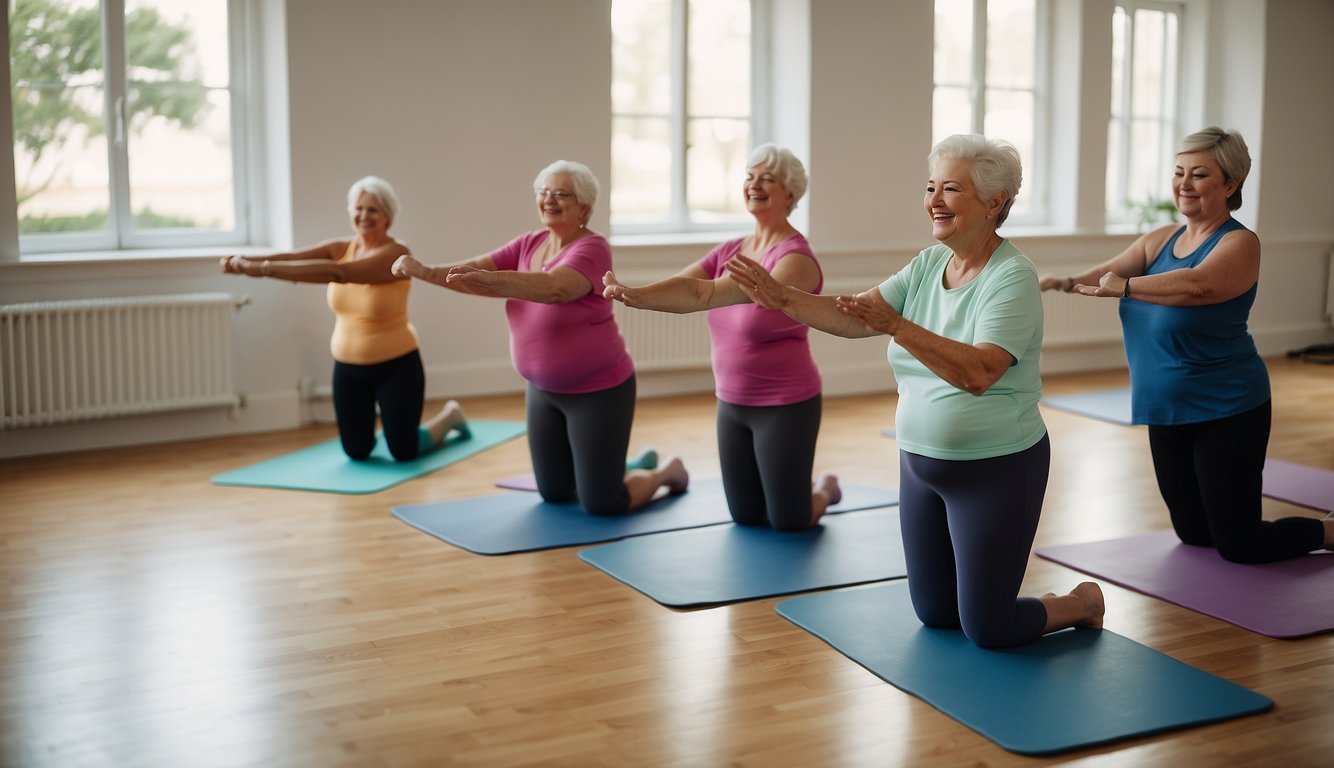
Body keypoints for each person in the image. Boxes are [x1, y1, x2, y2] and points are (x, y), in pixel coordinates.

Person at [728, 134, 1104, 648]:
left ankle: (1082, 603)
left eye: (951, 189)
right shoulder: (929, 264)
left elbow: (979, 373)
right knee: (935, 614)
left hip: (997, 469)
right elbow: (856, 317)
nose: (934, 201)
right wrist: (781, 296)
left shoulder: (1011, 278)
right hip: (920, 466)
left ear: (995, 202)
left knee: (988, 628)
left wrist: (898, 326)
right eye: (931, 187)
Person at [1039, 126, 1334, 562]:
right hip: (1165, 409)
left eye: (1200, 175)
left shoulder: (1239, 243)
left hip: (1228, 407)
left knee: (1240, 544)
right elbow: (1107, 272)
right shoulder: (1161, 239)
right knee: (1194, 534)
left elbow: (1196, 285)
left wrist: (1125, 287)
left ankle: (1327, 532)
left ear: (1230, 184)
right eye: (1179, 172)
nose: (1184, 184)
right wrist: (1061, 282)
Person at [391, 160, 688, 515]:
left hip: (598, 392)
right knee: (555, 494)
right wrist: (421, 270)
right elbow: (465, 274)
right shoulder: (529, 244)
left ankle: (665, 471)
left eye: (562, 193)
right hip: (543, 393)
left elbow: (555, 288)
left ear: (585, 208)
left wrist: (492, 279)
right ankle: (619, 464)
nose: (549, 199)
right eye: (544, 192)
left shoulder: (593, 248)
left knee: (604, 502)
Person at [602, 144, 840, 530]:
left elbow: (702, 294)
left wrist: (640, 296)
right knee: (745, 516)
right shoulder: (733, 249)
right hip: (732, 402)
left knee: (789, 521)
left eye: (767, 178)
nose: (754, 184)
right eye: (749, 176)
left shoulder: (795, 259)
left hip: (785, 404)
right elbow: (685, 284)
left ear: (791, 193)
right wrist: (633, 293)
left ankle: (826, 490)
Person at [220, 176, 468, 462]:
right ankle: (392, 427)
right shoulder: (341, 248)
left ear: (388, 216)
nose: (364, 215)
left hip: (397, 366)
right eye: (358, 208)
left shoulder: (397, 254)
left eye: (373, 209)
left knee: (404, 450)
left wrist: (260, 270)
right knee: (357, 450)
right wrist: (243, 263)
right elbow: (294, 257)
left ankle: (450, 417)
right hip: (348, 369)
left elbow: (339, 273)